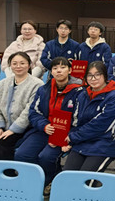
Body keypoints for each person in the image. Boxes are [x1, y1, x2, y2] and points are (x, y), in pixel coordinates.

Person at [14, 57, 83, 188]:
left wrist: (67, 137)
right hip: (44, 130)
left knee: (46, 157)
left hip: (65, 134)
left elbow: (80, 118)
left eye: (63, 67)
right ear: (51, 72)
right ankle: (33, 182)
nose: (59, 71)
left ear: (70, 70)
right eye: (55, 68)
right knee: (22, 154)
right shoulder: (43, 89)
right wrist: (44, 126)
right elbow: (33, 112)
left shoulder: (79, 92)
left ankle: (49, 181)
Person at [62, 61, 115, 173]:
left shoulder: (114, 96)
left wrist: (75, 137)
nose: (93, 79)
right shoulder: (82, 95)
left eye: (97, 75)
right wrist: (70, 140)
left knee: (86, 178)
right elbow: (76, 120)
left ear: (105, 76)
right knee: (68, 175)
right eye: (90, 75)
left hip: (105, 142)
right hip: (83, 140)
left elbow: (102, 124)